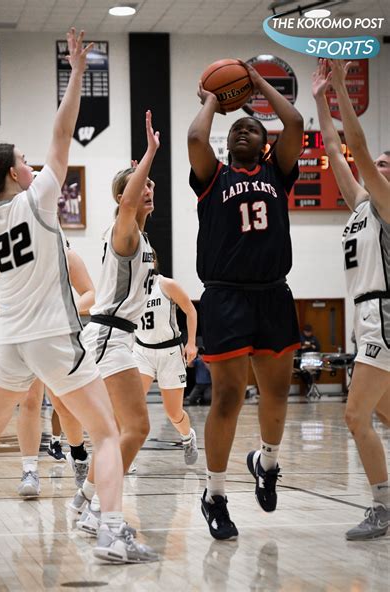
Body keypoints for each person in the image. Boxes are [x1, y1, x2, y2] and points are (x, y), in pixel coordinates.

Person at [0, 29, 157, 563]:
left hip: (11, 343)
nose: (33, 165)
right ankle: (115, 534)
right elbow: (64, 128)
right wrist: (74, 72)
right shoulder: (38, 199)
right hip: (51, 337)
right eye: (24, 160)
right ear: (11, 173)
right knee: (109, 433)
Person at [188, 61, 303, 540]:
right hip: (226, 296)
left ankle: (267, 462)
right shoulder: (211, 176)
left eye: (251, 129)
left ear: (263, 143)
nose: (242, 132)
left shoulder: (279, 171)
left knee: (276, 393)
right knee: (230, 397)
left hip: (273, 294)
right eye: (236, 129)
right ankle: (214, 496)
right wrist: (215, 98)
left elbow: (294, 123)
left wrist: (255, 85)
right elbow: (196, 138)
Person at [70, 110, 160, 538]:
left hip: (115, 337)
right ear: (126, 195)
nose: (149, 190)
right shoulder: (124, 231)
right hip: (109, 336)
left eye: (151, 186)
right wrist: (150, 153)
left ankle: (86, 500)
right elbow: (127, 200)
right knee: (136, 428)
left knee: (114, 431)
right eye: (143, 186)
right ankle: (97, 512)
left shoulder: (139, 239)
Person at [312, 58, 390, 540]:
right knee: (383, 413)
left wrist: (342, 86)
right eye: (377, 164)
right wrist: (320, 97)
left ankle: (382, 506)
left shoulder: (385, 204)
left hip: (382, 312)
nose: (376, 166)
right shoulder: (362, 205)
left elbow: (355, 146)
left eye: (386, 165)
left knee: (355, 414)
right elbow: (340, 154)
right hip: (366, 315)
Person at [0, 248, 93, 496]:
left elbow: (91, 293)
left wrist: (66, 309)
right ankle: (29, 470)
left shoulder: (66, 255)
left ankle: (78, 455)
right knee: (30, 401)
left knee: (63, 405)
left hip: (56, 337)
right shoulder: (19, 250)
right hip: (24, 335)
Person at [133, 267, 199, 465]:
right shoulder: (129, 290)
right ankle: (128, 457)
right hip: (142, 352)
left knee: (173, 412)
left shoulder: (166, 285)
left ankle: (187, 437)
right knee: (132, 407)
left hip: (169, 352)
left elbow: (190, 310)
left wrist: (191, 343)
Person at [297, 324, 321, 395]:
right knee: (303, 372)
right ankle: (308, 385)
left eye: (309, 332)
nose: (308, 333)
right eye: (306, 332)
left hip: (313, 359)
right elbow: (298, 348)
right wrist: (303, 347)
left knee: (317, 370)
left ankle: (312, 384)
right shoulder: (300, 338)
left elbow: (318, 347)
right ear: (304, 332)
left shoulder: (314, 338)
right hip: (303, 359)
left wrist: (313, 347)